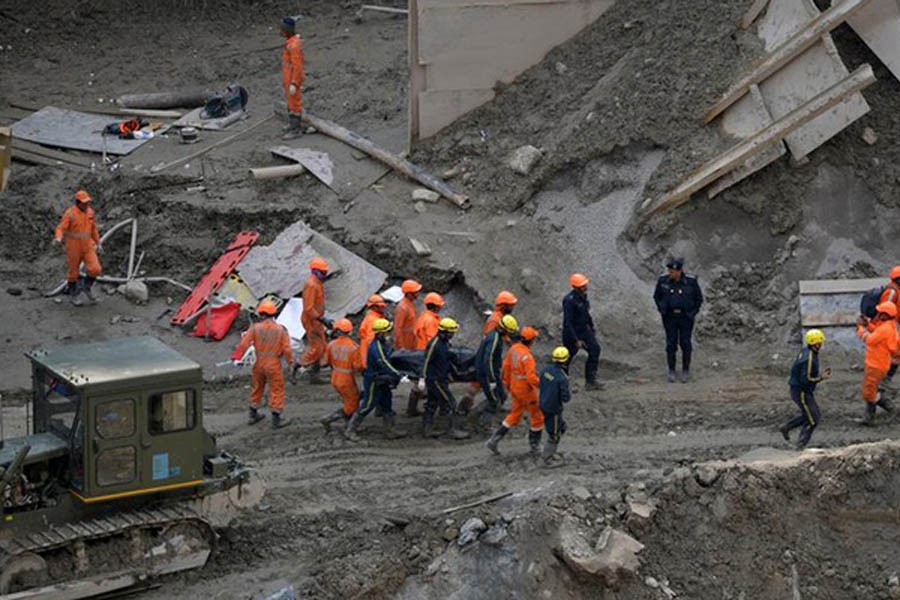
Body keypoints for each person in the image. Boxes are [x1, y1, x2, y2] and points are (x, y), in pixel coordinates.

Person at [346, 318, 409, 440]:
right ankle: (350, 430)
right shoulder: (376, 347)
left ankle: (390, 430)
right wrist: (398, 375)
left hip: (383, 380)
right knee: (368, 404)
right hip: (374, 381)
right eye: (387, 332)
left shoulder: (383, 344)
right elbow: (384, 363)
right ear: (380, 333)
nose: (388, 334)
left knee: (387, 403)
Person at [234, 301, 294, 428]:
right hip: (273, 364)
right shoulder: (280, 329)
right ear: (274, 314)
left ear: (261, 314)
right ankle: (276, 418)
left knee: (257, 387)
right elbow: (287, 349)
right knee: (276, 389)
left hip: (259, 362)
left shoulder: (255, 328)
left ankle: (253, 414)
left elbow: (243, 344)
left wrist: (241, 358)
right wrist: (291, 363)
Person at [486, 326, 544, 455]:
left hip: (514, 388)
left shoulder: (513, 349)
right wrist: (543, 385)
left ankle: (494, 440)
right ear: (531, 341)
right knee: (537, 415)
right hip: (526, 390)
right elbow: (531, 377)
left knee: (515, 414)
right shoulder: (527, 357)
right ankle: (535, 445)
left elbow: (506, 368)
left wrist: (507, 385)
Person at [460, 291, 519, 413]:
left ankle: (490, 403)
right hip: (488, 359)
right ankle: (467, 408)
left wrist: (509, 342)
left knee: (483, 381)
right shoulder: (495, 320)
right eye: (511, 305)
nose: (513, 307)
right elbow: (491, 343)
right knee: (483, 382)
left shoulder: (500, 319)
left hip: (489, 357)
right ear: (503, 305)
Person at [653, 257, 703, 383]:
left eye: (673, 272)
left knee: (685, 343)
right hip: (670, 317)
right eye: (669, 271)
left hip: (685, 317)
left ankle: (685, 370)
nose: (671, 273)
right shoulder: (663, 281)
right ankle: (671, 370)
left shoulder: (690, 282)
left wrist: (693, 312)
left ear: (679, 271)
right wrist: (662, 309)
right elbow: (656, 297)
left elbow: (698, 299)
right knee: (671, 343)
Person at [780, 329, 831, 449]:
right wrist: (821, 378)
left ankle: (787, 427)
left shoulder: (807, 352)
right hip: (801, 392)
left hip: (803, 391)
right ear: (815, 344)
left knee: (813, 415)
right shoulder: (808, 359)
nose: (821, 345)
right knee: (813, 420)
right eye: (820, 343)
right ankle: (800, 445)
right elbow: (805, 380)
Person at [421, 318, 470, 440]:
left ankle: (427, 429)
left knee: (432, 403)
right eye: (451, 332)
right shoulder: (434, 344)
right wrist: (423, 378)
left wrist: (449, 372)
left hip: (439, 377)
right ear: (445, 332)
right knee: (450, 403)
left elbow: (445, 360)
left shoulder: (445, 344)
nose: (453, 335)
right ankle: (451, 430)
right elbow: (426, 361)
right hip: (435, 380)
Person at [54, 189, 102, 306]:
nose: (87, 205)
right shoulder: (70, 214)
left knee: (95, 269)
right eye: (84, 203)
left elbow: (93, 229)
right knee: (73, 273)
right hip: (73, 247)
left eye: (88, 202)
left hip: (87, 246)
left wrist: (98, 242)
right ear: (78, 202)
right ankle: (73, 295)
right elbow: (60, 228)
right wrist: (58, 238)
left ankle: (86, 287)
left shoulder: (90, 212)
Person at [472, 314, 519, 429]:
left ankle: (485, 412)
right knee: (493, 400)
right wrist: (492, 379)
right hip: (486, 374)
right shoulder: (494, 339)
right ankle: (482, 424)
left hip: (492, 372)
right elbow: (488, 360)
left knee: (501, 394)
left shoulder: (495, 335)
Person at [857, 302, 899, 425]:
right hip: (880, 363)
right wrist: (868, 325)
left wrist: (860, 328)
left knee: (869, 393)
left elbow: (869, 340)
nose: (878, 313)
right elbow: (876, 332)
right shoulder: (889, 325)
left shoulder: (885, 328)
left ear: (886, 315)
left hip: (876, 364)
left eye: (881, 312)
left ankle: (890, 408)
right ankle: (869, 418)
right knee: (871, 390)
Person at [320, 319, 362, 433]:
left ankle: (347, 422)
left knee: (348, 401)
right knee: (353, 403)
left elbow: (325, 362)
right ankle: (329, 419)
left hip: (335, 377)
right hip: (347, 380)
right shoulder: (354, 347)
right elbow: (358, 367)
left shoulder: (331, 344)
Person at [562, 273, 603, 390]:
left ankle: (590, 381)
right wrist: (576, 340)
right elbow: (568, 322)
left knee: (595, 350)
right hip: (572, 333)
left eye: (585, 284)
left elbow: (586, 313)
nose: (586, 287)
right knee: (566, 358)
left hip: (584, 330)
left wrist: (591, 326)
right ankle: (562, 383)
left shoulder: (583, 297)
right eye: (583, 285)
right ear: (576, 287)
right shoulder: (569, 301)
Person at [297, 257, 331, 384]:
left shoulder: (317, 283)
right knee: (317, 348)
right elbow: (308, 308)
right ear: (315, 271)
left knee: (321, 347)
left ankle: (314, 374)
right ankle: (298, 365)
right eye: (323, 272)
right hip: (311, 320)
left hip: (317, 319)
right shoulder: (311, 285)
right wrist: (322, 319)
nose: (325, 275)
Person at [395, 279, 424, 416]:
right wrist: (401, 348)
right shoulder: (403, 307)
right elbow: (398, 329)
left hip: (411, 344)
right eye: (416, 292)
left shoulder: (409, 305)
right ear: (410, 293)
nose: (418, 294)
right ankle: (411, 408)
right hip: (405, 346)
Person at [540, 346, 572, 464]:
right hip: (553, 409)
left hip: (543, 403)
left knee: (561, 426)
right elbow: (566, 398)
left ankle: (550, 453)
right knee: (554, 435)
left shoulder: (546, 370)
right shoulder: (562, 378)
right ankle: (547, 458)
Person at [280, 15, 305, 139]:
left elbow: (298, 66)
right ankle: (292, 124)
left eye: (283, 29)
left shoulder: (293, 45)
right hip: (288, 78)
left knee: (295, 104)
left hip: (292, 79)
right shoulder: (290, 43)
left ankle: (296, 129)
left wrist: (294, 83)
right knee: (290, 102)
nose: (281, 31)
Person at [880, 266, 900, 382]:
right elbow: (885, 310)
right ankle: (885, 378)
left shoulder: (896, 290)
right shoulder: (892, 291)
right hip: (889, 326)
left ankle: (886, 378)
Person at [359, 294, 388, 368]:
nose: (383, 308)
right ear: (374, 307)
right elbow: (371, 341)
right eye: (380, 306)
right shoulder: (373, 321)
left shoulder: (373, 316)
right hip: (371, 356)